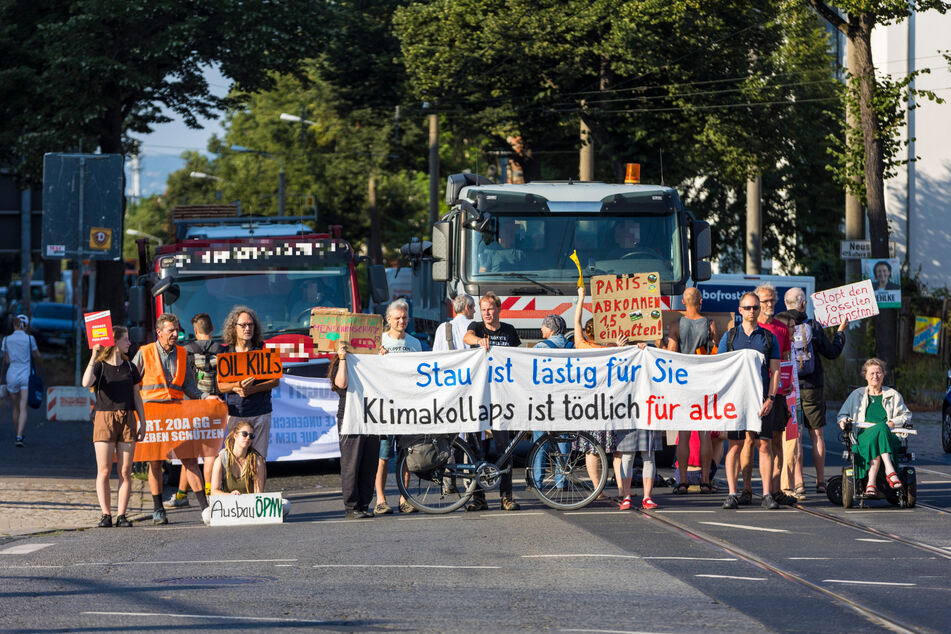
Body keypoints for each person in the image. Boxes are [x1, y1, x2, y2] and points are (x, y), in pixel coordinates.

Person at [133, 313, 219, 524]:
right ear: (159, 332)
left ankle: (205, 509)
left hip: (176, 415)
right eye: (171, 330)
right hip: (152, 415)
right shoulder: (144, 353)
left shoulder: (182, 353)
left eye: (177, 330)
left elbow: (189, 386)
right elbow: (131, 381)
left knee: (189, 460)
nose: (175, 334)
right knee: (155, 463)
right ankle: (158, 508)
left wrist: (207, 396)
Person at [718, 292, 781, 510]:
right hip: (736, 401)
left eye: (755, 307)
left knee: (764, 445)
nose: (752, 311)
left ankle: (766, 494)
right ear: (740, 310)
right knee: (734, 446)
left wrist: (771, 398)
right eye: (747, 308)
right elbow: (719, 368)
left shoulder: (768, 337)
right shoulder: (730, 336)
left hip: (761, 399)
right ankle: (732, 493)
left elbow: (775, 371)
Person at [81, 326, 147, 528]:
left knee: (126, 471)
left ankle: (122, 515)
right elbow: (85, 383)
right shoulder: (100, 367)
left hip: (127, 417)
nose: (129, 343)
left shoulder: (130, 367)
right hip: (104, 418)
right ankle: (105, 514)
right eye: (126, 340)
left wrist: (143, 421)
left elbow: (136, 396)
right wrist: (94, 356)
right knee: (104, 470)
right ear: (115, 342)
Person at [784, 287, 847, 494]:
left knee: (796, 435)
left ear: (786, 304)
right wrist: (840, 333)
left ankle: (799, 481)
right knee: (817, 434)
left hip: (789, 386)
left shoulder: (780, 324)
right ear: (803, 304)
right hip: (813, 385)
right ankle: (821, 481)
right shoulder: (813, 325)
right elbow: (831, 352)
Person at [463, 291, 522, 511]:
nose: (487, 313)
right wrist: (479, 341)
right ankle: (478, 498)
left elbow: (518, 358)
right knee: (475, 450)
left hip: (501, 399)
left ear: (498, 309)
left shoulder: (509, 330)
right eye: (483, 309)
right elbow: (466, 338)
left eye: (490, 309)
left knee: (503, 448)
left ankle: (506, 497)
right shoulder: (477, 327)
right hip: (478, 397)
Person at [167, 313, 227, 509]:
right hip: (216, 405)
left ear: (195, 330)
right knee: (211, 454)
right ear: (212, 329)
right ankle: (206, 494)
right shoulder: (223, 351)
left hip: (191, 406)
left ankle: (188, 496)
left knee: (189, 455)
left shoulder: (185, 352)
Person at [666, 287, 718, 494]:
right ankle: (705, 481)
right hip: (704, 381)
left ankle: (683, 481)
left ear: (683, 303)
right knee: (705, 433)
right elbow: (716, 350)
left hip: (683, 382)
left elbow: (671, 354)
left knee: (684, 433)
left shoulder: (675, 325)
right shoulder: (709, 324)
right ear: (701, 302)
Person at [374, 299, 423, 515]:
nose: (401, 321)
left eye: (404, 317)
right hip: (385, 408)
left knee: (405, 456)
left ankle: (404, 499)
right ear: (388, 320)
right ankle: (381, 500)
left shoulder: (415, 343)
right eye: (397, 318)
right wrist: (377, 357)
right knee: (383, 456)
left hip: (408, 408)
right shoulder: (379, 341)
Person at [836, 358, 911, 496]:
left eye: (878, 373)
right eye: (871, 373)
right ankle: (890, 470)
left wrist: (893, 423)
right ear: (865, 376)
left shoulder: (893, 395)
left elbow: (906, 415)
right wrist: (843, 421)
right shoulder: (856, 395)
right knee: (880, 427)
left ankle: (871, 483)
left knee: (882, 427)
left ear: (883, 374)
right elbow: (842, 415)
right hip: (863, 436)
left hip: (889, 437)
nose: (875, 376)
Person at [754, 283, 797, 506]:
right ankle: (746, 490)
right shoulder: (752, 326)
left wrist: (788, 383)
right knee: (752, 443)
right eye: (765, 301)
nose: (769, 304)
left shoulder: (781, 329)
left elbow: (787, 359)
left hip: (778, 393)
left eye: (772, 300)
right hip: (754, 392)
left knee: (778, 442)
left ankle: (776, 488)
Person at [218, 306, 280, 459]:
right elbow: (220, 385)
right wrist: (236, 386)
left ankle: (258, 485)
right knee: (236, 459)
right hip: (236, 414)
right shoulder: (226, 353)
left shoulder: (264, 350)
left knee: (258, 459)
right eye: (243, 325)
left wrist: (252, 389)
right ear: (234, 328)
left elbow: (275, 381)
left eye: (250, 325)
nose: (247, 328)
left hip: (261, 412)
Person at [331, 341, 380, 519]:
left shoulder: (370, 360)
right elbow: (341, 384)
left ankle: (364, 504)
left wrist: (382, 358)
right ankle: (352, 507)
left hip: (372, 415)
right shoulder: (341, 361)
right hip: (350, 416)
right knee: (352, 462)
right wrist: (343, 359)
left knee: (369, 463)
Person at [530, 314, 571, 487]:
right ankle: (561, 480)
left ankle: (537, 480)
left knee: (540, 440)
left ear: (551, 329)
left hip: (543, 400)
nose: (541, 329)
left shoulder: (540, 347)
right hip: (566, 399)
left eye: (544, 326)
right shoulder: (572, 346)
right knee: (564, 439)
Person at [773, 310, 806, 501]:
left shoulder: (793, 347)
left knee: (793, 445)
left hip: (795, 399)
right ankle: (783, 486)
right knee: (783, 444)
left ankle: (788, 484)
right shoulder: (779, 347)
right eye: (792, 326)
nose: (795, 329)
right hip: (782, 399)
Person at [2, 314, 40, 447]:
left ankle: (17, 432)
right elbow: (37, 355)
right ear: (26, 326)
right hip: (26, 374)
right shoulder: (30, 339)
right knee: (24, 406)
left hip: (12, 374)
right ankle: (19, 436)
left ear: (14, 324)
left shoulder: (6, 340)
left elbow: (6, 360)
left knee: (15, 406)